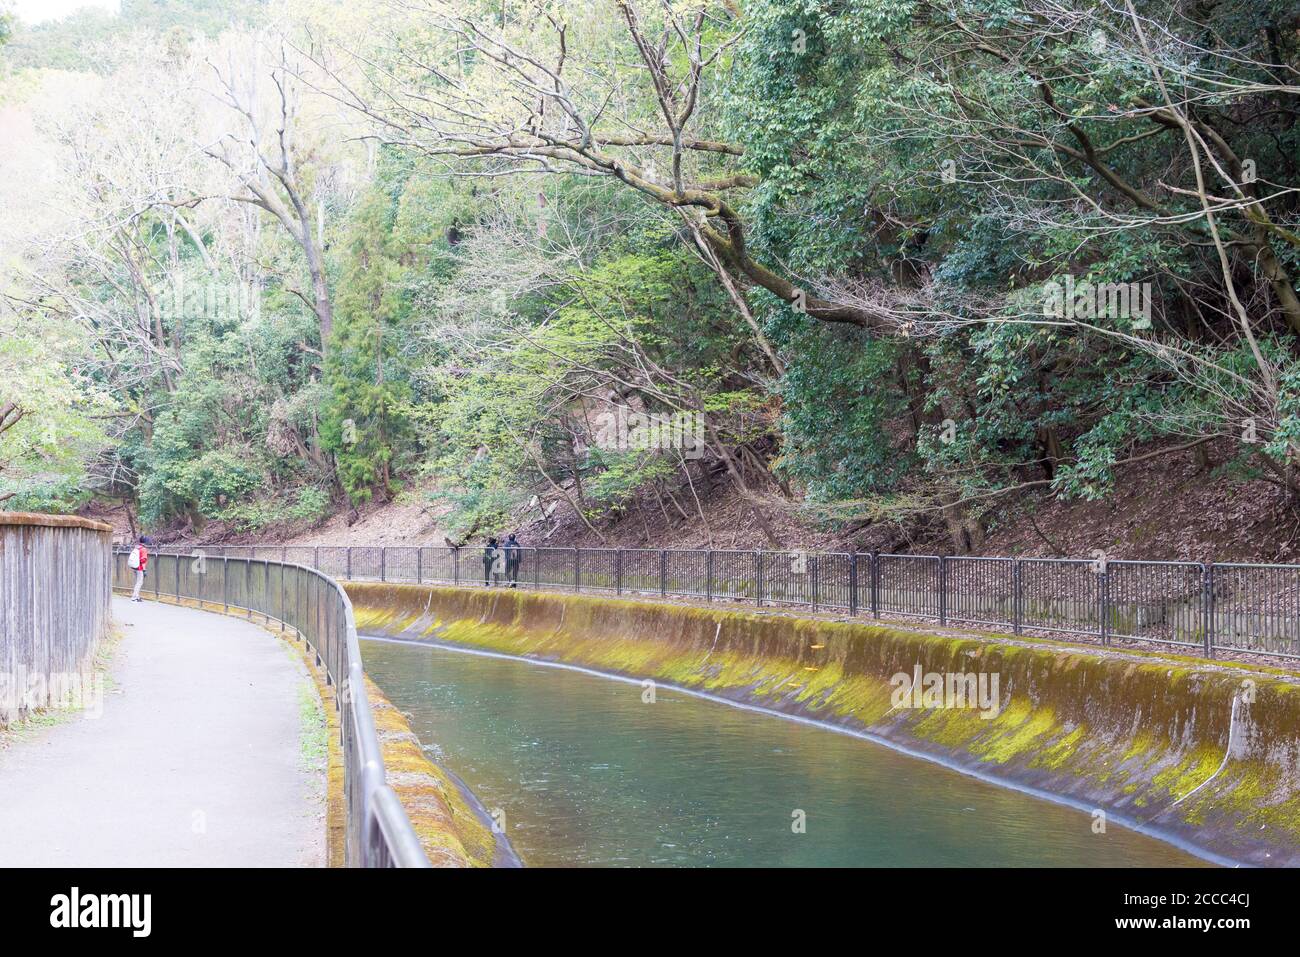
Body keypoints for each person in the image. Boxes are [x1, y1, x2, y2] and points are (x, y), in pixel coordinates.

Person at [128, 535, 153, 602]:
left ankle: (136, 596)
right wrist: (144, 570)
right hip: (139, 568)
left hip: (134, 567)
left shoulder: (137, 547)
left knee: (137, 582)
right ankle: (134, 597)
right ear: (145, 541)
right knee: (139, 582)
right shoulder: (143, 549)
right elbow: (143, 560)